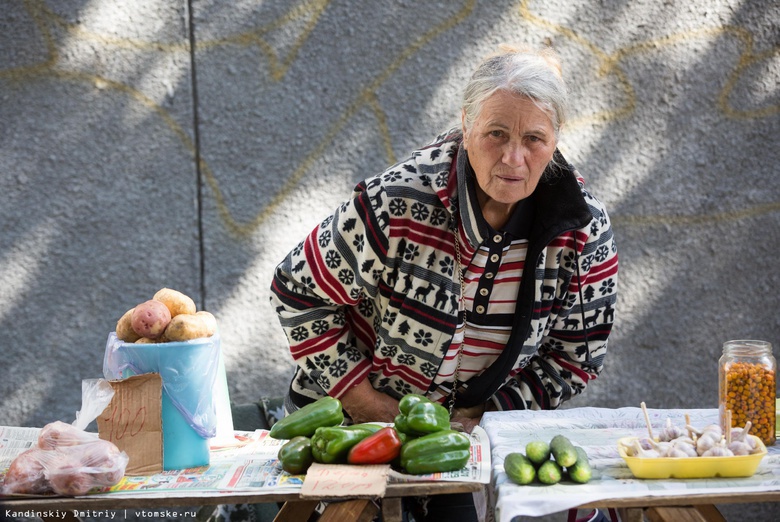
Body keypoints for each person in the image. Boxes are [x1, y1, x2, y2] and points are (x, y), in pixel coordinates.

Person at [270, 44, 618, 521]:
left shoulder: (581, 229)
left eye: (534, 138)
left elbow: (575, 355)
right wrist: (364, 401)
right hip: (346, 422)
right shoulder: (398, 200)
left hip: (460, 436)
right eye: (496, 133)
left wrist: (485, 418)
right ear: (466, 125)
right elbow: (297, 288)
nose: (513, 158)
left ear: (556, 139)